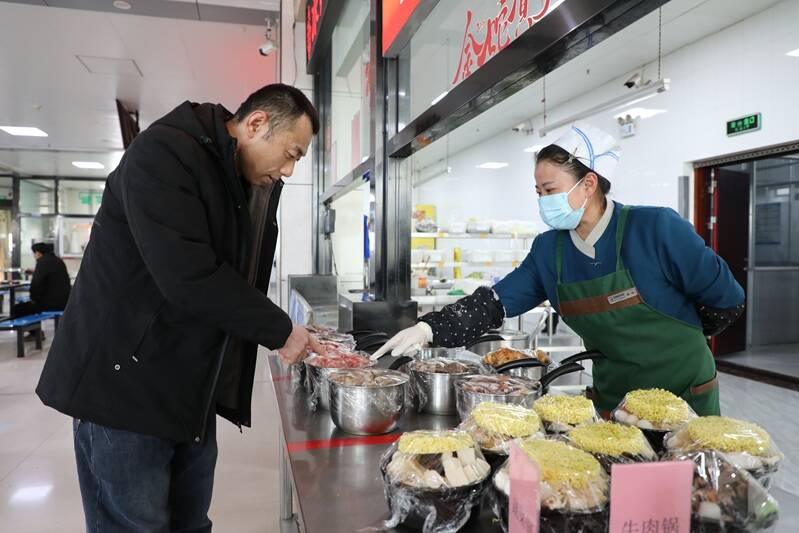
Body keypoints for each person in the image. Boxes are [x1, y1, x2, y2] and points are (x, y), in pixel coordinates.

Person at [36, 84, 326, 533]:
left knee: (191, 523)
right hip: (123, 389)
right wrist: (280, 329)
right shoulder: (165, 154)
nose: (288, 170)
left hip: (187, 390)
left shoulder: (237, 180)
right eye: (290, 154)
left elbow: (232, 281)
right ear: (256, 124)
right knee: (135, 525)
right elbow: (188, 274)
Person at [375, 123, 745, 417]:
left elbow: (726, 300)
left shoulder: (656, 229)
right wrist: (430, 328)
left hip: (683, 397)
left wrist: (674, 342)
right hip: (615, 399)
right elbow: (495, 303)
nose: (543, 200)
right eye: (538, 192)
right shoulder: (549, 251)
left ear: (589, 184)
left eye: (550, 189)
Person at [13, 243, 71, 332]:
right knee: (29, 306)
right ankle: (36, 333)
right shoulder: (58, 261)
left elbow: (36, 284)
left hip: (51, 304)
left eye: (34, 253)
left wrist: (34, 299)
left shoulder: (42, 262)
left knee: (17, 309)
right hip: (65, 302)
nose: (34, 256)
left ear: (38, 253)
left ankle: (35, 333)